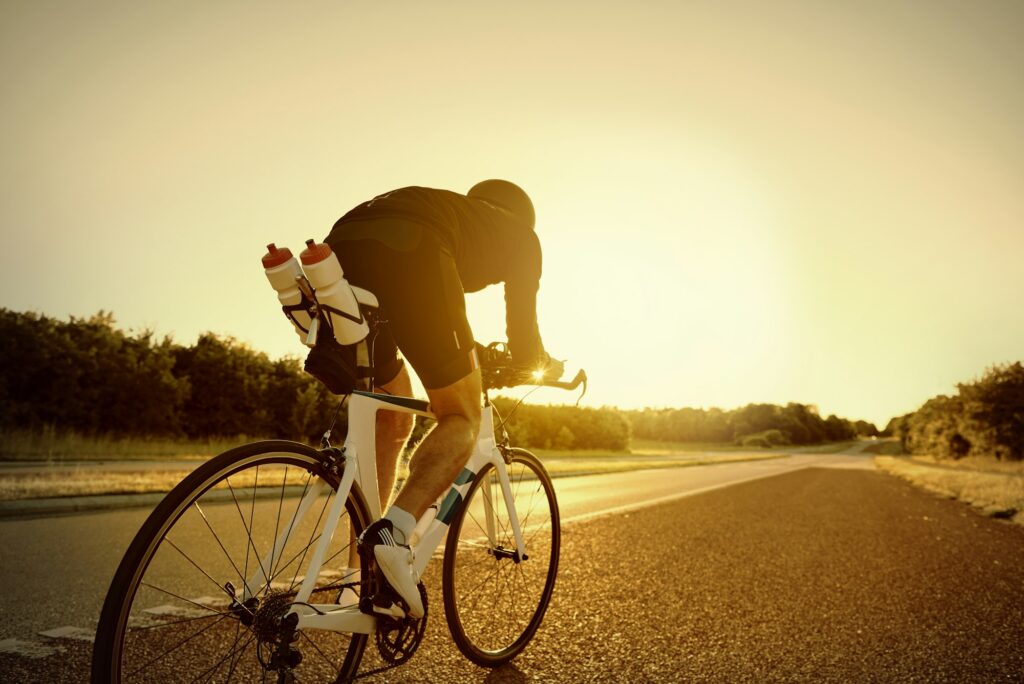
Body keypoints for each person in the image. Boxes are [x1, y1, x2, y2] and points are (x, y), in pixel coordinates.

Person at [322, 180, 561, 618]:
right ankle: (392, 537)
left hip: (339, 249)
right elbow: (523, 330)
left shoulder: (452, 210)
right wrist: (538, 361)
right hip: (413, 250)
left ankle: (359, 583)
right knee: (462, 416)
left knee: (392, 421)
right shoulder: (521, 235)